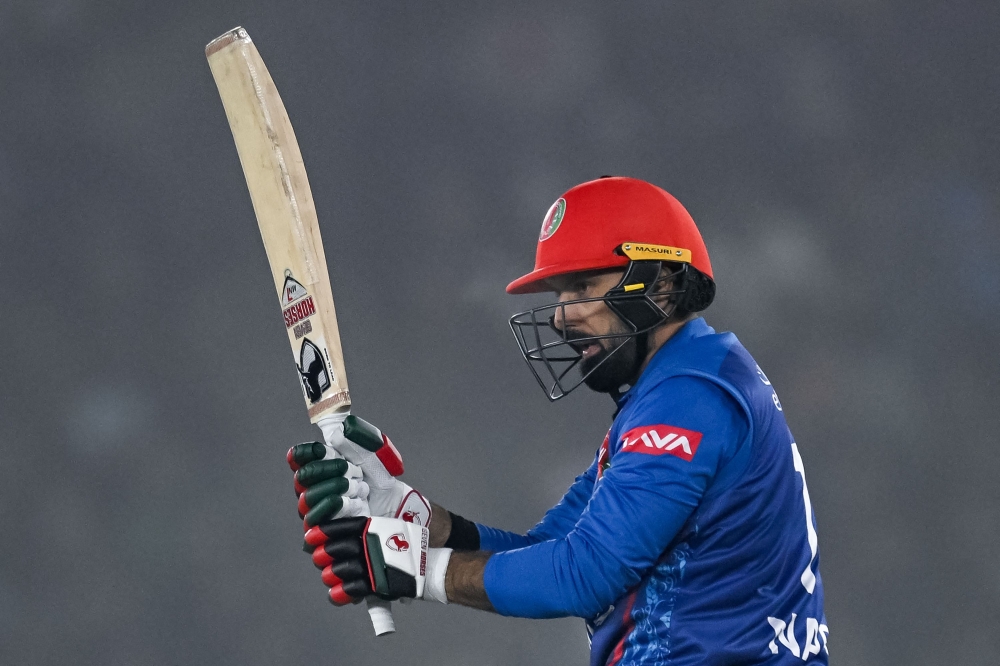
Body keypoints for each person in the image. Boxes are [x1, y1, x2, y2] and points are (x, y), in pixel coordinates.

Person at [286, 176, 829, 665]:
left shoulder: (689, 396)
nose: (562, 315)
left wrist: (417, 570)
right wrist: (417, 518)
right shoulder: (683, 385)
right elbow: (549, 552)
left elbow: (583, 576)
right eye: (560, 294)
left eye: (585, 287)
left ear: (662, 283)